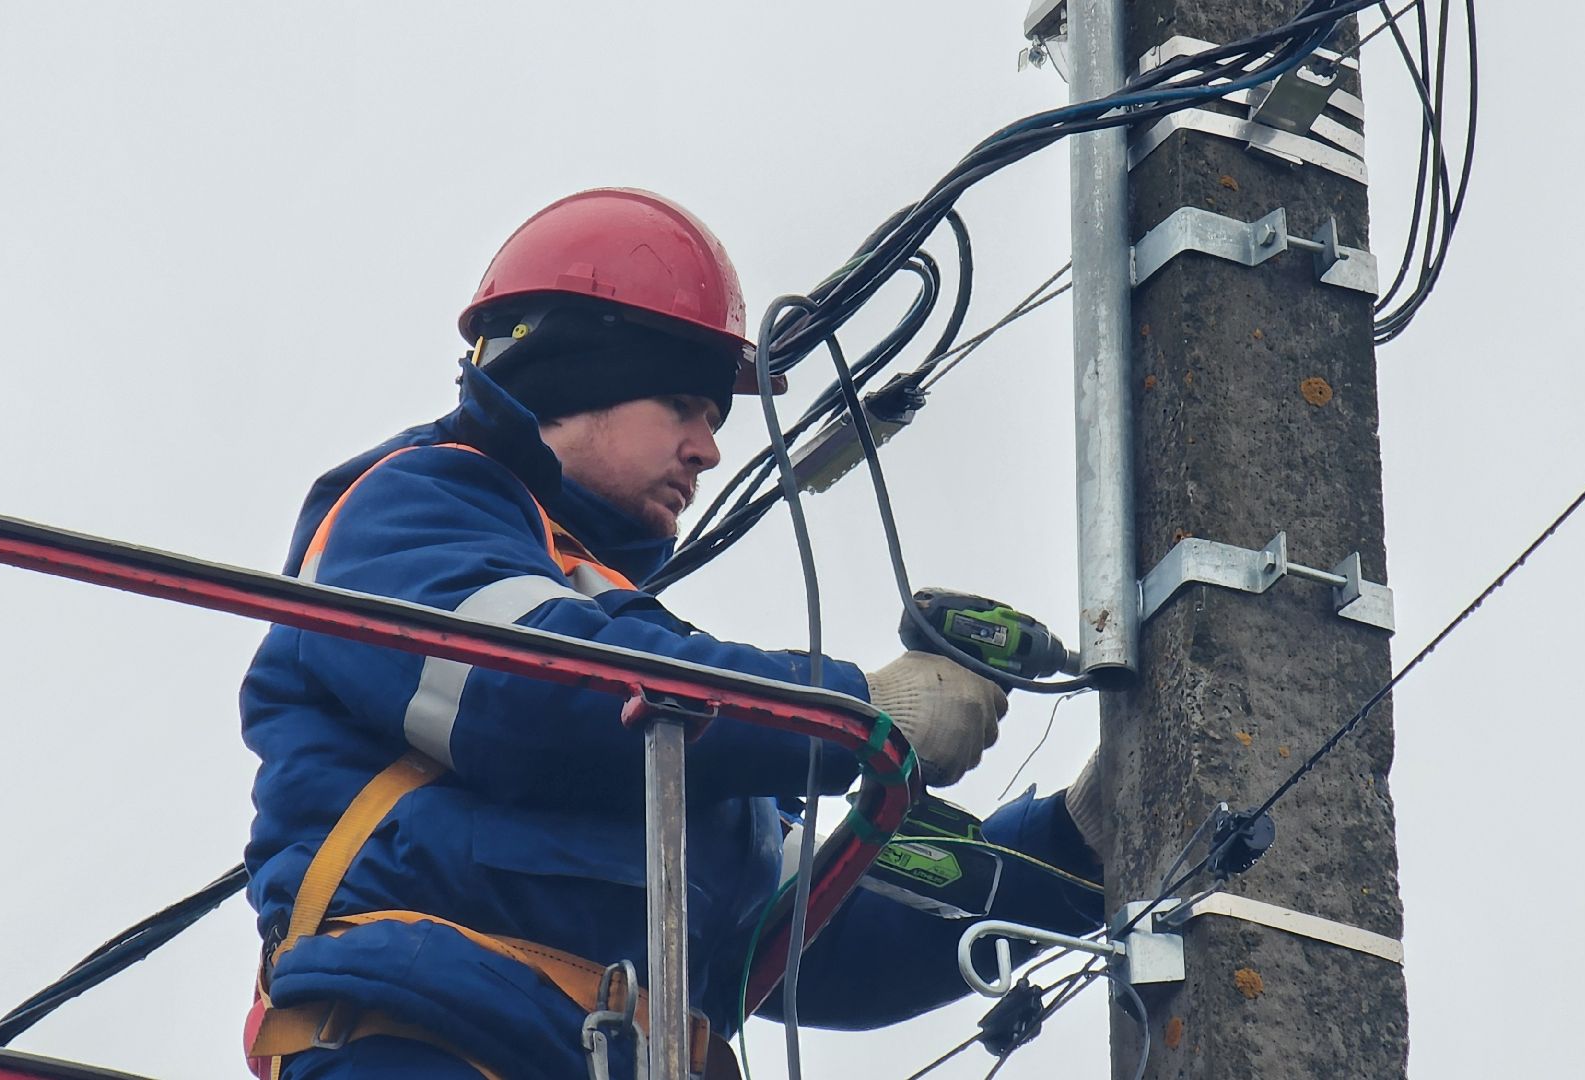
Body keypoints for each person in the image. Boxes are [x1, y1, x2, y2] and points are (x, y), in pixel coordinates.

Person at [240, 188, 1113, 1078]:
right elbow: (527, 692)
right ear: (576, 385)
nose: (709, 450)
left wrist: (1081, 841)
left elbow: (828, 934)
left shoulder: (652, 672)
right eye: (681, 406)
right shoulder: (411, 509)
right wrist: (858, 709)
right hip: (426, 1045)